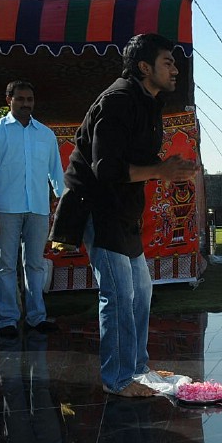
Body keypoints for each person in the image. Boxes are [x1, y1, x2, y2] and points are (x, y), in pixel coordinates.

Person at [57, 34, 198, 397]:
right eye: (167, 61)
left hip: (122, 210)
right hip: (98, 207)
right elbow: (107, 169)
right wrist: (162, 171)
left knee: (141, 292)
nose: (175, 68)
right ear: (143, 67)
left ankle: (136, 368)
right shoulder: (117, 101)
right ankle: (117, 380)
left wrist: (163, 169)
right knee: (118, 295)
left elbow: (141, 165)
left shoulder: (149, 102)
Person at [0, 81, 65, 338]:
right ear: (9, 100)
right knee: (5, 264)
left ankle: (36, 318)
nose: (26, 104)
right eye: (21, 99)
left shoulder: (45, 134)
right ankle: (8, 320)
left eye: (30, 99)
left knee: (35, 264)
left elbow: (55, 172)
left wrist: (64, 204)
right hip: (5, 208)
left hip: (38, 208)